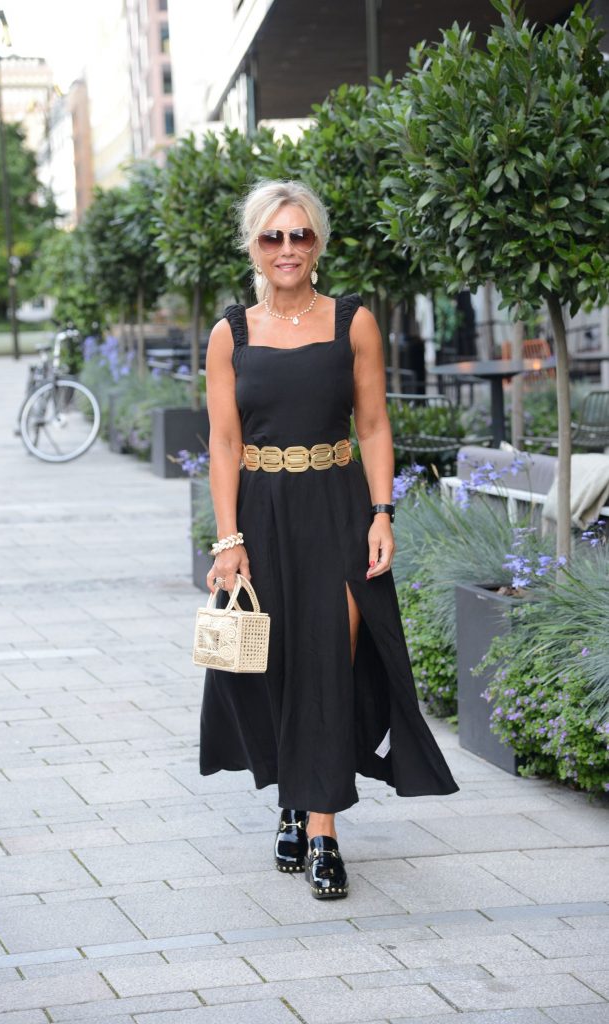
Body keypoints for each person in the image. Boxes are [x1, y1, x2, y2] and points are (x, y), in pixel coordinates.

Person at [199, 180, 459, 900]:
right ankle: (290, 801)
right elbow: (223, 442)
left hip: (338, 508)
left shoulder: (353, 322)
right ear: (253, 246)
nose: (287, 249)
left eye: (301, 235)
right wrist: (228, 539)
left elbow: (372, 425)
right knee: (273, 661)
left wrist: (382, 513)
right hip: (261, 511)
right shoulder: (230, 333)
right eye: (273, 236)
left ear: (318, 244)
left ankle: (321, 829)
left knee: (327, 665)